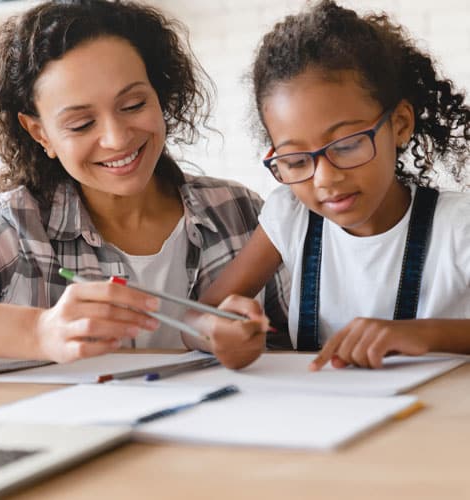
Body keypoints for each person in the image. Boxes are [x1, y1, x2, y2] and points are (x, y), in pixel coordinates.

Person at [0, 0, 289, 366]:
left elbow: (298, 342)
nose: (117, 138)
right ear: (40, 132)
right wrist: (39, 331)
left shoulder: (239, 212)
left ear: (160, 93)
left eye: (134, 104)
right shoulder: (5, 233)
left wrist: (252, 340)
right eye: (81, 124)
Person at [194, 0, 470, 370]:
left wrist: (423, 334)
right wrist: (216, 330)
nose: (325, 178)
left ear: (400, 124)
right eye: (294, 160)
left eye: (347, 145)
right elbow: (196, 315)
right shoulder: (290, 216)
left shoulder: (457, 226)